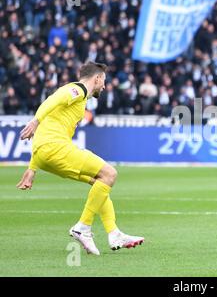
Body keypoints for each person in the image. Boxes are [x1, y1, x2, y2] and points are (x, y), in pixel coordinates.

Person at [16, 62, 144, 255]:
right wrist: (35, 121)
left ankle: (114, 232)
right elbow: (52, 100)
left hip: (44, 153)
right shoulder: (79, 90)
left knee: (99, 184)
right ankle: (83, 227)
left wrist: (33, 167)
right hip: (55, 148)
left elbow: (51, 119)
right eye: (104, 81)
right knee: (109, 174)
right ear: (97, 78)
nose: (104, 86)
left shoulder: (77, 94)